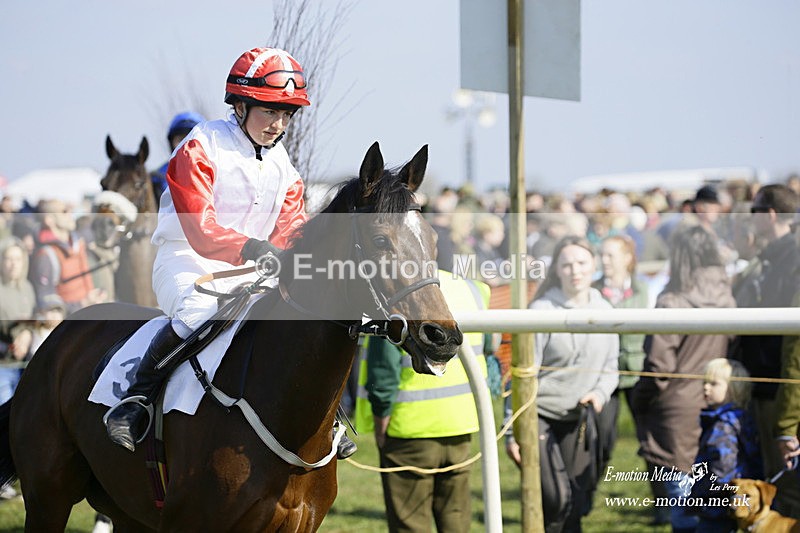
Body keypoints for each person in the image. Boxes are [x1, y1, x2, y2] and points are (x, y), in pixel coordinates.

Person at [103, 47, 357, 459]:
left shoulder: (285, 168)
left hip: (251, 271)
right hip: (186, 262)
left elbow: (290, 230)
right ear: (240, 105)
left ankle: (325, 418)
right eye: (269, 111)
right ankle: (135, 401)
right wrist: (255, 248)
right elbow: (200, 228)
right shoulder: (200, 146)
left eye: (287, 114)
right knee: (197, 315)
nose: (278, 124)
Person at [354, 272, 490, 532]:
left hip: (410, 428)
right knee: (456, 519)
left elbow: (383, 370)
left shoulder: (396, 290)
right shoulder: (474, 289)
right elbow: (491, 345)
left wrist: (381, 419)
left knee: (410, 524)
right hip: (461, 423)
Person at [505, 235, 619, 532]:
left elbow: (610, 369)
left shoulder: (606, 311)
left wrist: (598, 393)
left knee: (576, 504)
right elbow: (521, 374)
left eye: (582, 262)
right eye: (567, 264)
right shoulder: (541, 312)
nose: (575, 270)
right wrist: (511, 430)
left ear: (593, 265)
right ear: (556, 269)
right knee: (556, 498)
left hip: (579, 418)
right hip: (539, 415)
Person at [631, 225, 736, 533]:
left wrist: (640, 400)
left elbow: (658, 366)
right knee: (715, 501)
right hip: (719, 403)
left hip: (677, 411)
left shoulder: (672, 301)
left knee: (684, 505)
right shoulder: (729, 298)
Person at [730, 184, 800, 516]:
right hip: (766, 385)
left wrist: (787, 421)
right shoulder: (768, 258)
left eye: (755, 210)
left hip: (781, 389)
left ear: (770, 215)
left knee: (784, 492)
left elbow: (793, 348)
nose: (750, 217)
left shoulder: (794, 258)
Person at [690, 358, 762, 533]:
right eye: (704, 382)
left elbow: (722, 469)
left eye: (713, 384)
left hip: (717, 507)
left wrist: (702, 494)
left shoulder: (723, 426)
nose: (706, 387)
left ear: (733, 389)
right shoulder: (740, 418)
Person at [29, 199, 108, 315]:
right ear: (49, 220)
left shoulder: (78, 244)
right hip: (72, 324)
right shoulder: (46, 255)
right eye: (64, 211)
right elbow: (47, 303)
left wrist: (95, 296)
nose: (71, 213)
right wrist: (82, 304)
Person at [0, 238, 36, 403]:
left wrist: (28, 333)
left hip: (24, 365)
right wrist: (17, 337)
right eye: (8, 259)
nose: (13, 264)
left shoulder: (27, 288)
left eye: (18, 259)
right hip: (3, 365)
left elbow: (33, 319)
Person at [150, 111, 206, 204]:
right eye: (180, 140)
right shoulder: (157, 179)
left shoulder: (218, 174)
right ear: (171, 143)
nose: (185, 145)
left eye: (191, 140)